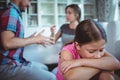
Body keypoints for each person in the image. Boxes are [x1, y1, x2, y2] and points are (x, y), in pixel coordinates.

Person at [0, 0, 56, 80]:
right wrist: (34, 39)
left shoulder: (14, 13)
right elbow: (7, 43)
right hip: (7, 65)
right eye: (29, 1)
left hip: (17, 61)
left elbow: (12, 40)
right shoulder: (11, 13)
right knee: (52, 78)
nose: (29, 5)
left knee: (44, 67)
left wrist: (31, 39)